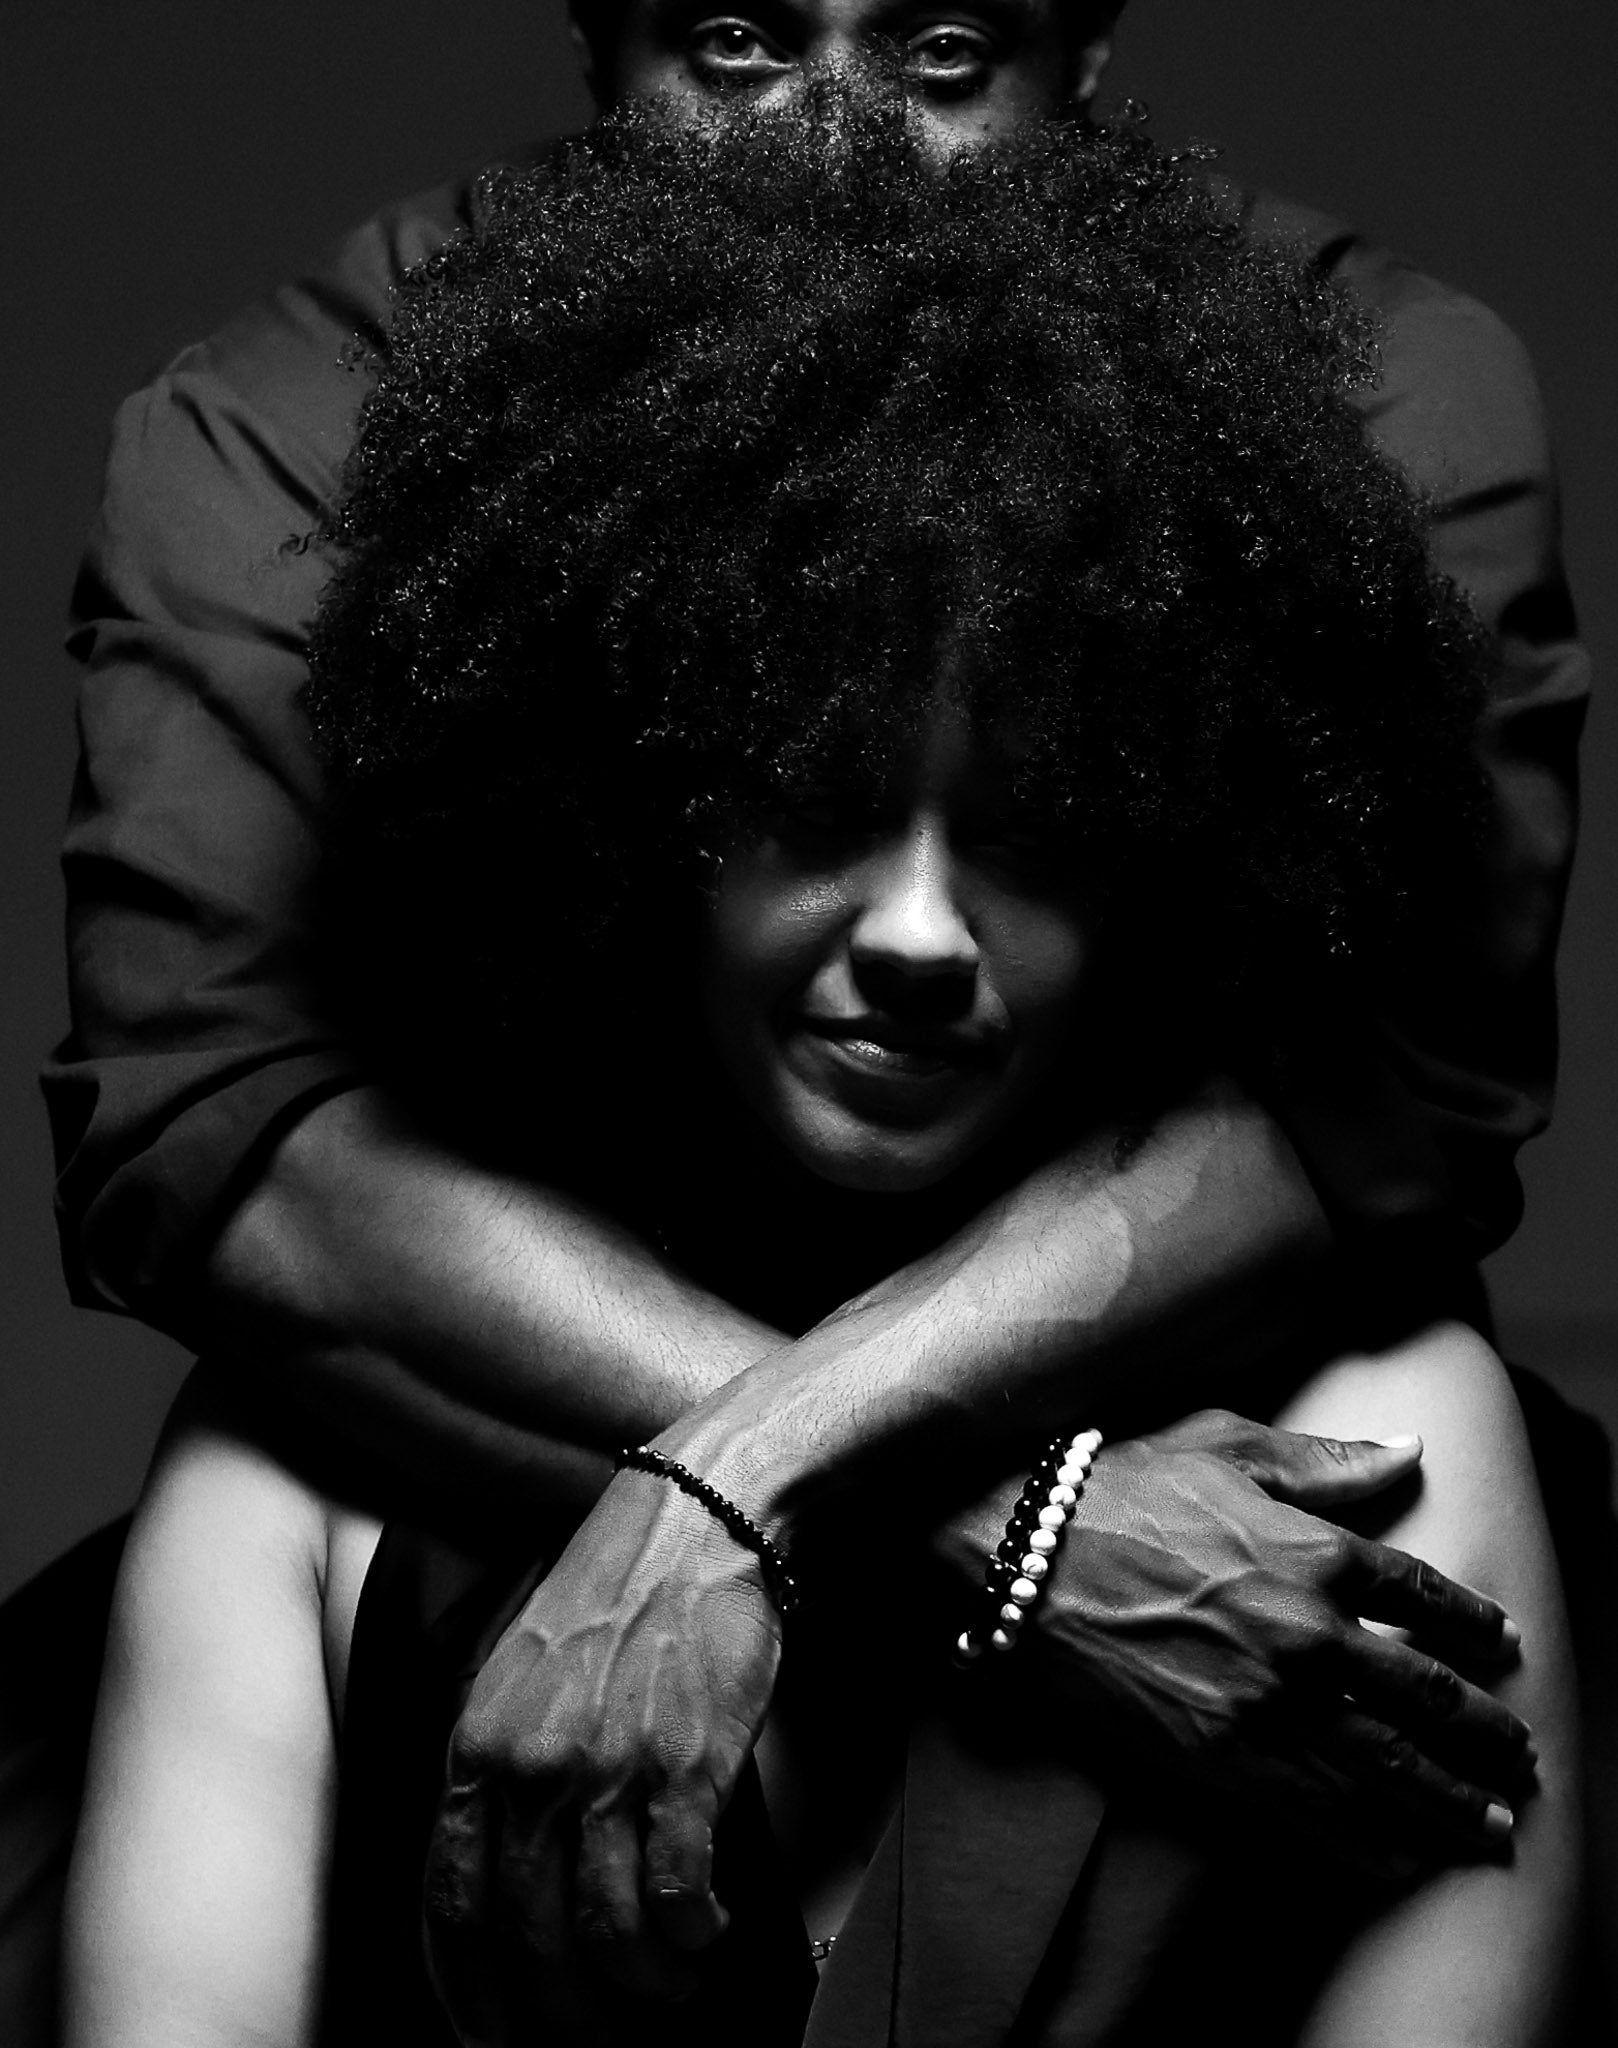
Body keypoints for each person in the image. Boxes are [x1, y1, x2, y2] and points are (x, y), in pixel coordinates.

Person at [30, 0, 1588, 2031]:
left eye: (943, 51)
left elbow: (1394, 1083)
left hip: (1207, 1477)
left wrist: (758, 1475)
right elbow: (207, 1124)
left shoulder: (1386, 389)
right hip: (484, 1438)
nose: (835, 143)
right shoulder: (279, 417)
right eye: (736, 44)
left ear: (1085, 43)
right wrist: (981, 1521)